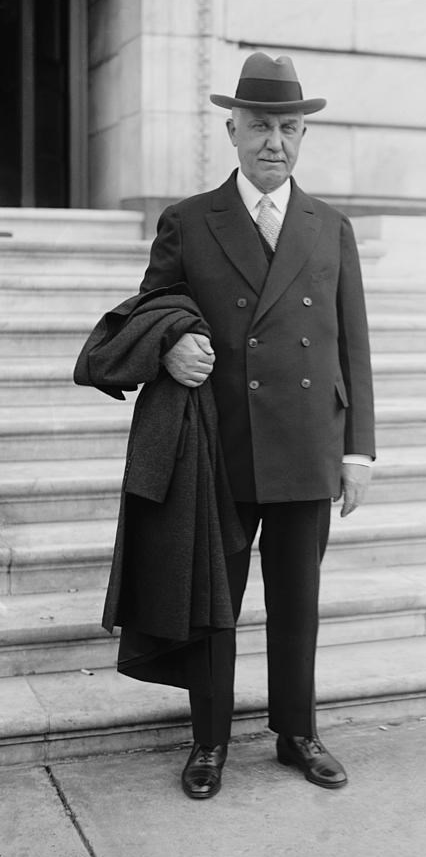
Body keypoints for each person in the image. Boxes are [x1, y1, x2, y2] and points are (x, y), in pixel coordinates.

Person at [91, 52, 375, 800]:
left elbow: (353, 346)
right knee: (213, 604)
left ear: (302, 135)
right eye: (259, 126)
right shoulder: (188, 220)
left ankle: (297, 732)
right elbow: (152, 309)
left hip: (309, 443)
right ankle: (210, 740)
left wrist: (359, 452)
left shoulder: (330, 226)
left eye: (288, 128)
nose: (274, 141)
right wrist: (170, 344)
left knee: (297, 601)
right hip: (220, 444)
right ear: (233, 131)